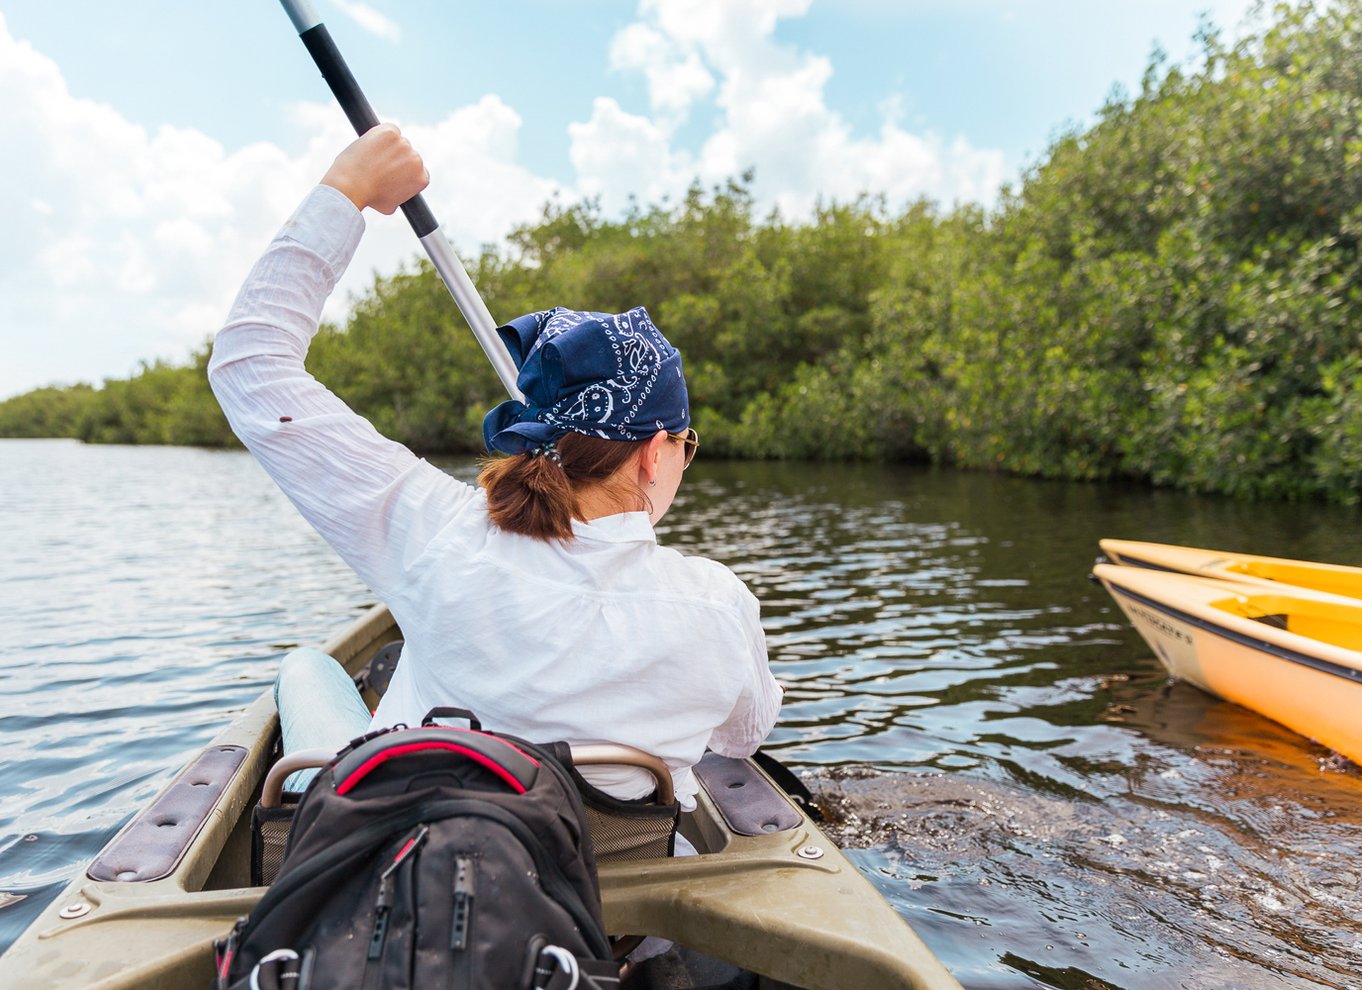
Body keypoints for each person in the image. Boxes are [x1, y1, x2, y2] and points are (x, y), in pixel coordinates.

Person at [208, 124, 782, 814]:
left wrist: (349, 186)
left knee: (306, 667)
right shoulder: (720, 605)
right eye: (687, 444)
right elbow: (743, 737)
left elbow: (250, 363)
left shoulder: (435, 532)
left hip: (411, 849)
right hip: (604, 893)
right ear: (655, 450)